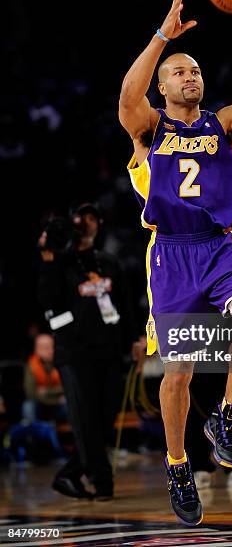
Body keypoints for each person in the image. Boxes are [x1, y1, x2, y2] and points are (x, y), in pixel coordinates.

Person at [119, 0, 232, 525]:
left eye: (195, 71)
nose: (190, 76)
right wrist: (163, 37)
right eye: (179, 72)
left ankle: (229, 417)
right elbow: (127, 95)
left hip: (221, 245)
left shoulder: (227, 123)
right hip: (171, 255)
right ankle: (177, 465)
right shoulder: (148, 129)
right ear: (163, 85)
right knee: (177, 375)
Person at [37, 202, 139, 500]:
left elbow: (126, 304)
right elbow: (46, 301)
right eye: (79, 217)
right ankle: (103, 482)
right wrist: (47, 257)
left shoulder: (108, 262)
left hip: (108, 351)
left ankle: (68, 475)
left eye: (91, 217)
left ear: (100, 223)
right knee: (85, 421)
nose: (85, 222)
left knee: (106, 420)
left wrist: (136, 339)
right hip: (74, 354)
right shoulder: (60, 261)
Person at [23, 333, 67, 424]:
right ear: (37, 350)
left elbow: (67, 387)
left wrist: (46, 391)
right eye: (45, 348)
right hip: (41, 406)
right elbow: (30, 393)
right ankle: (33, 434)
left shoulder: (61, 363)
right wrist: (55, 397)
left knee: (70, 402)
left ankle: (75, 436)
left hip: (58, 406)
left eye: (52, 347)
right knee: (28, 406)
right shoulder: (32, 365)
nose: (50, 350)